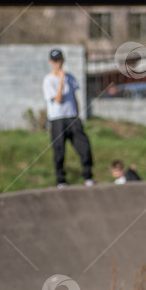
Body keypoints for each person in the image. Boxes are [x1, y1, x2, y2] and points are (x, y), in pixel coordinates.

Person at [42, 49, 94, 187]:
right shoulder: (48, 80)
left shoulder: (71, 77)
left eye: (60, 60)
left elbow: (74, 98)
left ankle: (88, 177)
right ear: (51, 62)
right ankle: (61, 180)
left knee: (84, 147)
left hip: (72, 117)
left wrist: (78, 115)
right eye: (55, 61)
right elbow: (58, 99)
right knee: (59, 150)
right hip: (57, 119)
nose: (58, 63)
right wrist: (61, 81)